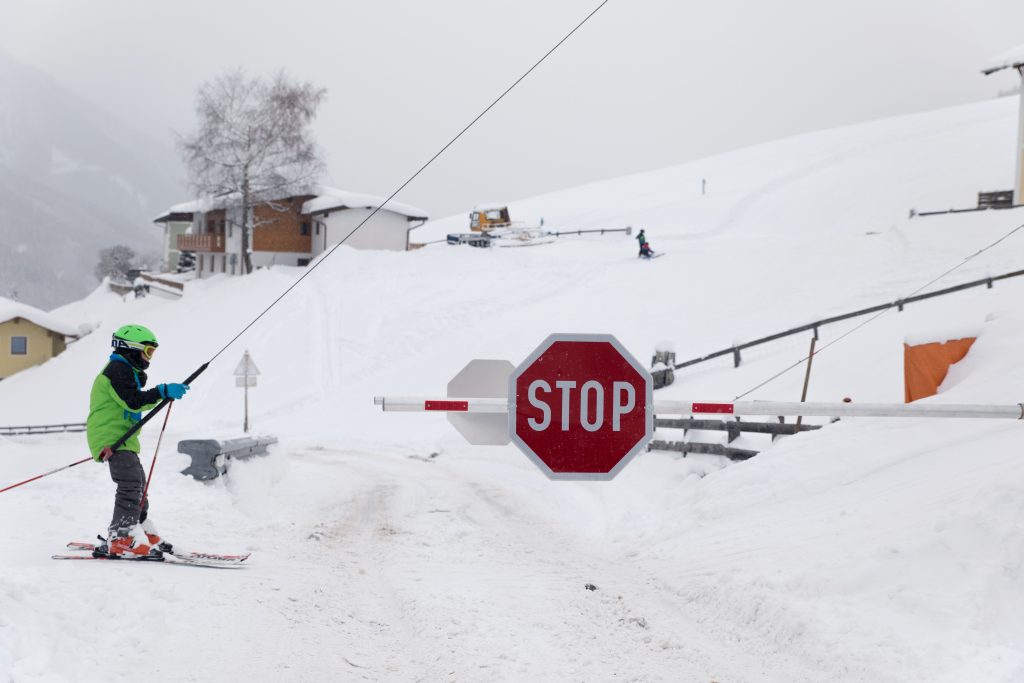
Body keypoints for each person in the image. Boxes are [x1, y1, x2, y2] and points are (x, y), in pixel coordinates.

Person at [86, 324, 189, 557]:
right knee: (130, 484)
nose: (148, 358)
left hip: (123, 438)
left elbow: (135, 399)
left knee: (138, 484)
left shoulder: (126, 371)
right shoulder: (117, 370)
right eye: (147, 351)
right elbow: (133, 401)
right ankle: (121, 535)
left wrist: (162, 393)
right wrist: (162, 391)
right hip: (111, 438)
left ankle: (140, 527)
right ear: (131, 349)